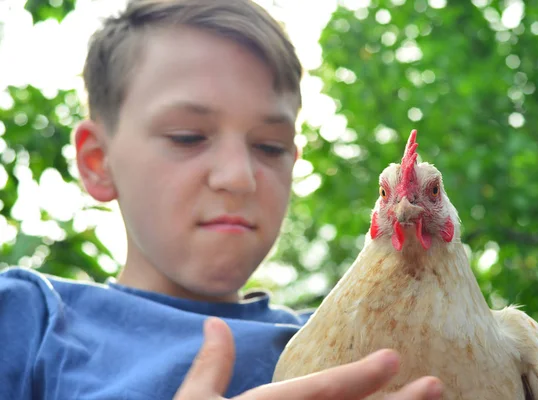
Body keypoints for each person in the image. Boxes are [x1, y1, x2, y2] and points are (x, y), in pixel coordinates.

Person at [0, 0, 444, 399]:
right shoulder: (30, 320)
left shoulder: (362, 345)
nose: (239, 177)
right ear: (98, 163)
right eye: (188, 137)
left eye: (270, 146)